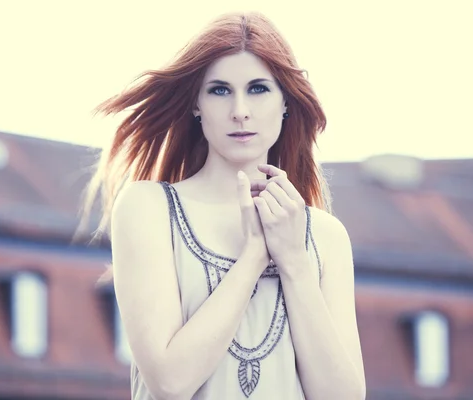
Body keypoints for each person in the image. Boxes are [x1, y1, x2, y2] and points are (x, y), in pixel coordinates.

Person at [84, 11, 365, 400]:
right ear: (196, 104)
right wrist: (253, 257)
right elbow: (170, 383)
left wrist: (296, 263)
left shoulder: (325, 236)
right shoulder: (148, 209)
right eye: (219, 90)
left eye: (258, 89)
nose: (240, 110)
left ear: (286, 101)